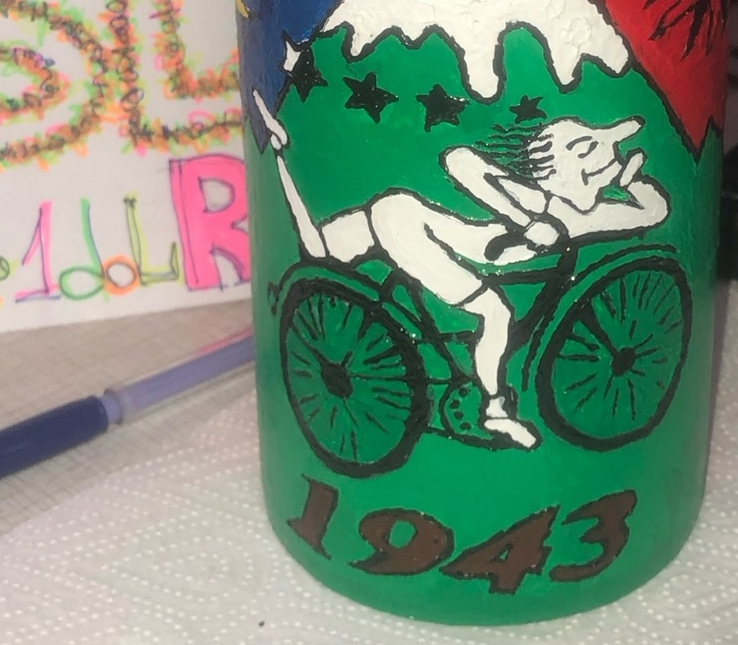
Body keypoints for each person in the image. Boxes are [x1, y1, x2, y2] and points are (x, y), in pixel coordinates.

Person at [251, 91, 669, 448]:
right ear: (570, 170)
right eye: (601, 170)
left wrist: (631, 183)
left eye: (610, 170)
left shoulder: (585, 215)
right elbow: (459, 160)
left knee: (319, 249)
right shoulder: (535, 198)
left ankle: (279, 149)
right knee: (496, 314)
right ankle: (495, 411)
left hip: (411, 219)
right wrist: (525, 221)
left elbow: (655, 212)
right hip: (412, 231)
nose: (606, 180)